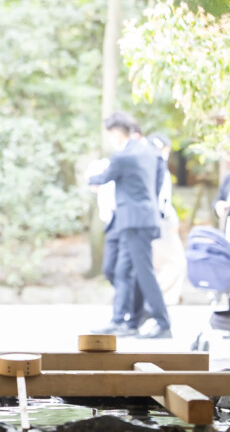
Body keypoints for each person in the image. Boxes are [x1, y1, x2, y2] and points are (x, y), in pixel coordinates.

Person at [87, 111, 171, 338]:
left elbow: (102, 178)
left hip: (133, 222)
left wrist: (90, 179)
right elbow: (157, 183)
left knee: (144, 273)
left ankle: (163, 323)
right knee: (124, 271)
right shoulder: (149, 153)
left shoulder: (122, 156)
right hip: (143, 218)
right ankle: (124, 321)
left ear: (116, 132)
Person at [147, 132, 186, 306]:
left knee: (164, 263)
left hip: (158, 219)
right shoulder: (157, 165)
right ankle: (156, 298)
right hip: (161, 221)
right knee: (176, 262)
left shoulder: (152, 165)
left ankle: (156, 299)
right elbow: (161, 199)